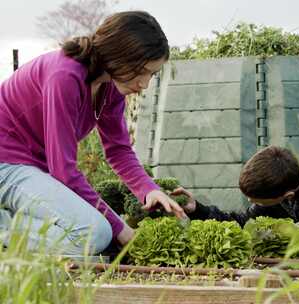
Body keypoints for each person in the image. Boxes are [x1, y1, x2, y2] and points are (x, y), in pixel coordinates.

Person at [0, 11, 188, 255]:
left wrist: (149, 189)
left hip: (30, 169)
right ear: (121, 54)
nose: (144, 84)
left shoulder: (111, 87)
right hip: (6, 163)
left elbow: (118, 150)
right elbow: (64, 172)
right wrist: (122, 229)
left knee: (94, 236)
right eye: (143, 71)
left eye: (152, 75)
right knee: (95, 233)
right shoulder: (64, 76)